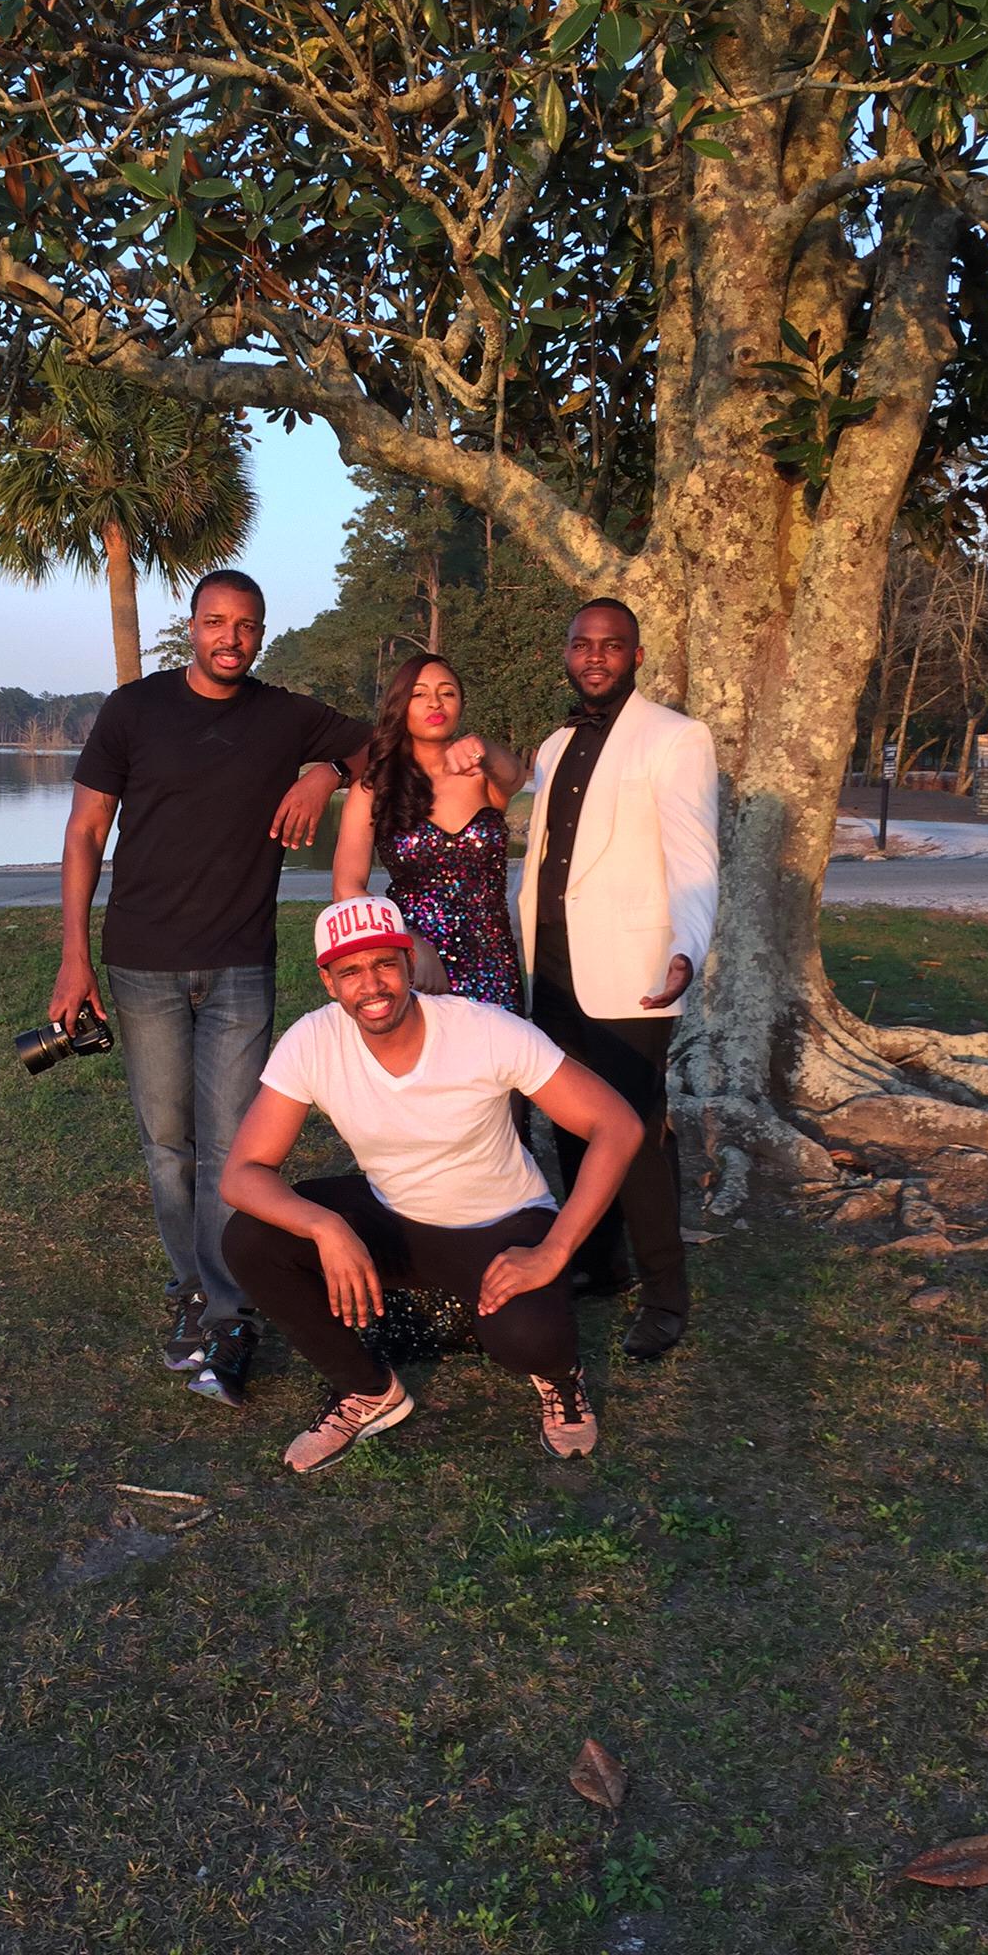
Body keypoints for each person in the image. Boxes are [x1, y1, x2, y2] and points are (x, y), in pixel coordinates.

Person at [49, 568, 369, 1406]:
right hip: (142, 961)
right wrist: (74, 957)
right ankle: (192, 1286)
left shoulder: (284, 715)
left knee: (234, 1149)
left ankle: (228, 1312)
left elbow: (381, 745)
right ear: (191, 626)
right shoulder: (134, 710)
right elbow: (85, 830)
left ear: (261, 633)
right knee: (168, 1144)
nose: (231, 638)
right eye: (216, 622)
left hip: (239, 964)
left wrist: (325, 772)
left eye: (247, 625)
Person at [220, 896, 643, 1474]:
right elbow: (243, 1172)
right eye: (350, 971)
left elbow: (617, 1125)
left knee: (530, 1339)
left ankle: (561, 1377)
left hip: (499, 1224)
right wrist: (325, 1227)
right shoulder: (313, 1040)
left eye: (384, 964)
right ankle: (367, 1390)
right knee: (251, 1238)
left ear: (410, 962)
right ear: (328, 982)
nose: (372, 985)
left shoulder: (484, 1030)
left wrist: (554, 1249)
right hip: (394, 1216)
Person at [518, 598, 718, 1361]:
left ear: (636, 655)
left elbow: (695, 860)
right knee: (573, 1124)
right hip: (552, 966)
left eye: (611, 645)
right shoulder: (554, 743)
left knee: (634, 1135)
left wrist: (687, 948)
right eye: (582, 644)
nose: (595, 656)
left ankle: (667, 1296)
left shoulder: (675, 738)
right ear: (567, 654)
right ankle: (601, 1263)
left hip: (634, 972)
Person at [332, 653, 527, 1010]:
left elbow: (514, 775)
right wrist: (406, 942)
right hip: (418, 968)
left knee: (502, 1047)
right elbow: (347, 889)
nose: (435, 702)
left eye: (447, 693)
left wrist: (482, 747)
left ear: (461, 704)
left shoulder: (483, 775)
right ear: (400, 706)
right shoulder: (373, 789)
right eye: (419, 694)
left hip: (494, 965)